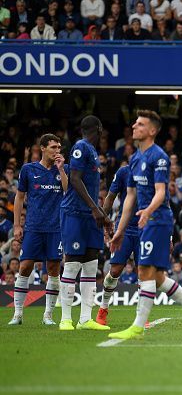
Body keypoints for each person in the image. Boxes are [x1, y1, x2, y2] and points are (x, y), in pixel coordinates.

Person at [108, 110, 182, 340]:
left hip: (158, 219)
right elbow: (130, 199)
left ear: (152, 131)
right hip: (146, 219)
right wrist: (120, 231)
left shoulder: (159, 157)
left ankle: (136, 327)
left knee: (144, 271)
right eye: (135, 122)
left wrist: (148, 211)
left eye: (140, 124)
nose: (134, 126)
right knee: (156, 277)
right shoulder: (134, 159)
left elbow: (161, 193)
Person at [59, 116, 112, 331]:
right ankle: (65, 319)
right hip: (75, 213)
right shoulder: (81, 147)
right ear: (98, 128)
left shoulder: (92, 151)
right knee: (72, 264)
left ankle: (85, 319)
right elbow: (74, 179)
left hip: (90, 215)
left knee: (91, 265)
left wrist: (100, 212)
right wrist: (94, 208)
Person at [9, 134, 68, 326]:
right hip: (33, 227)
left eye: (59, 147)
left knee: (53, 269)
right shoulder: (28, 169)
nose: (57, 151)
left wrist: (61, 170)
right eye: (53, 147)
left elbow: (68, 193)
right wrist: (17, 225)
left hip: (55, 228)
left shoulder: (63, 170)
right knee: (25, 266)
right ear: (42, 148)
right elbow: (19, 198)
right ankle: (17, 314)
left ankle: (48, 315)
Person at [95, 164, 140, 326]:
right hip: (125, 228)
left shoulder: (154, 170)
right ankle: (103, 309)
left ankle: (142, 316)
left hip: (145, 228)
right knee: (115, 270)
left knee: (144, 273)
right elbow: (110, 197)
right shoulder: (123, 171)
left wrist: (168, 237)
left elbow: (165, 202)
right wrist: (102, 218)